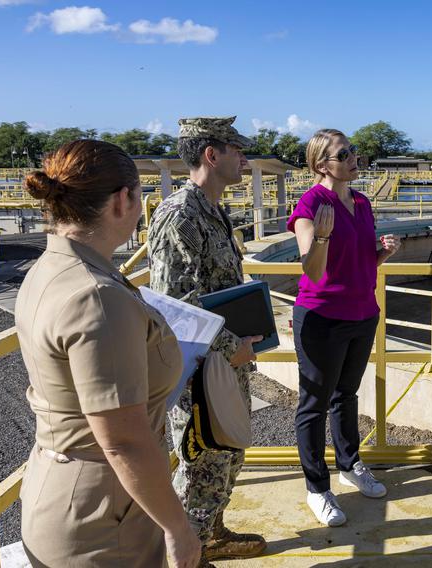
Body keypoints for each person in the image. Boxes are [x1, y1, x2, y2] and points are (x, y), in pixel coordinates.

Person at [16, 140, 201, 568]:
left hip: (62, 483)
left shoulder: (51, 268)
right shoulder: (98, 295)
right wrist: (177, 527)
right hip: (105, 512)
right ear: (124, 199)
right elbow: (123, 441)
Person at [147, 116, 266, 564]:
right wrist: (227, 345)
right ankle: (187, 553)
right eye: (237, 150)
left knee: (227, 455)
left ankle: (211, 534)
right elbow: (174, 301)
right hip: (200, 365)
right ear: (211, 155)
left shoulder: (213, 210)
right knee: (204, 464)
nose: (244, 158)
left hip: (224, 360)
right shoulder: (180, 214)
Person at [287, 128, 401, 526]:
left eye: (353, 151)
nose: (355, 157)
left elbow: (362, 262)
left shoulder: (363, 201)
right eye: (344, 153)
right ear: (322, 164)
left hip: (362, 313)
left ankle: (350, 465)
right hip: (322, 317)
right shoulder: (311, 204)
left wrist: (381, 253)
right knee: (314, 404)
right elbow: (313, 270)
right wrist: (320, 236)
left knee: (346, 394)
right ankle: (317, 488)